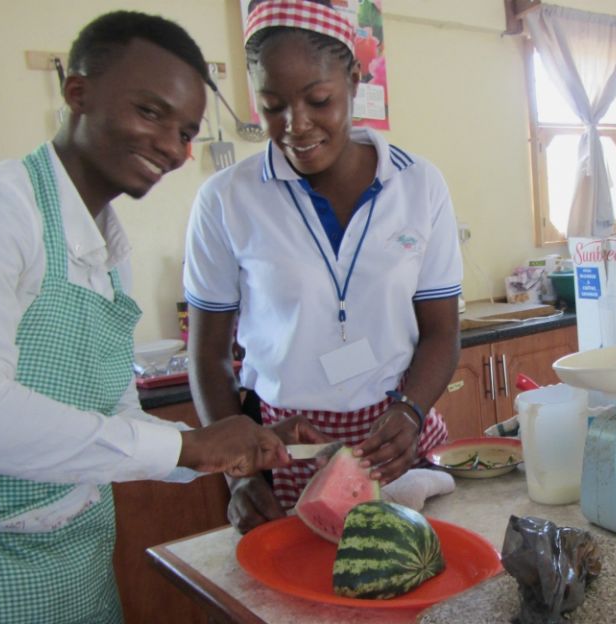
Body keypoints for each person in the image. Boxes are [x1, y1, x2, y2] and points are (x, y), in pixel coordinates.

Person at [0, 11, 314, 623]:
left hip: (76, 569)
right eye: (151, 113)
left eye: (186, 131)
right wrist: (189, 446)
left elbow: (117, 419)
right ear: (76, 92)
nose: (171, 146)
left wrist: (230, 452)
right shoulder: (0, 210)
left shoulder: (108, 250)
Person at [184, 0, 463, 533]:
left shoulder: (418, 186)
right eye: (271, 106)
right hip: (285, 451)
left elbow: (441, 332)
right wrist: (240, 475)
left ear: (354, 79)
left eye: (319, 100)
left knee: (417, 590)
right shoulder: (226, 199)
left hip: (397, 441)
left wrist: (410, 411)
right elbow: (208, 354)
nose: (296, 126)